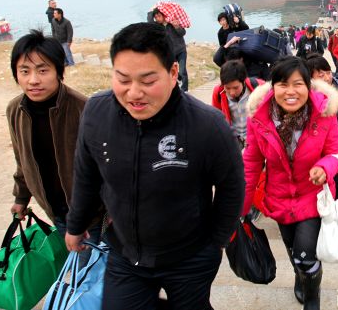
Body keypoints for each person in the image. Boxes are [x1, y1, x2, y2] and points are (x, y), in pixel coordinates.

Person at [65, 22, 244, 310]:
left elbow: (232, 186)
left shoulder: (207, 124)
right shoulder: (97, 113)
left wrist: (217, 241)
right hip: (125, 254)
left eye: (148, 81)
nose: (134, 93)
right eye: (123, 79)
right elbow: (86, 175)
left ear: (173, 72)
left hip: (190, 257)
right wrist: (75, 225)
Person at [242, 56, 338, 309]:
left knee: (305, 253)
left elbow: (337, 153)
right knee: (292, 249)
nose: (290, 92)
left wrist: (325, 167)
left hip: (313, 196)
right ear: (273, 87)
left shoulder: (323, 114)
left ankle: (312, 298)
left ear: (308, 86)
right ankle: (302, 276)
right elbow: (251, 164)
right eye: (283, 84)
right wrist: (240, 208)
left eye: (298, 84)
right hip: (278, 196)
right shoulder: (259, 118)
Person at [7, 30, 102, 254]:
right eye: (25, 71)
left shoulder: (84, 109)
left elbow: (109, 166)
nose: (33, 80)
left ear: (59, 71)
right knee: (78, 267)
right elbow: (22, 159)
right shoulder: (15, 110)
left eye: (43, 70)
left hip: (94, 216)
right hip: (57, 213)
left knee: (90, 270)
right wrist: (21, 197)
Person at [306, 53, 338, 199]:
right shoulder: (304, 96)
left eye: (328, 73)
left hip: (335, 151)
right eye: (321, 75)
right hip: (313, 153)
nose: (327, 78)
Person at [211, 60, 264, 149]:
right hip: (233, 138)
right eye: (227, 88)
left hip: (254, 137)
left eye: (236, 88)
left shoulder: (259, 87)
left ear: (243, 81)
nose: (232, 92)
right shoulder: (218, 92)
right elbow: (216, 118)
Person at [148, 8, 189, 92]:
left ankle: (185, 90)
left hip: (181, 50)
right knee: (172, 71)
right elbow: (150, 23)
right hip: (170, 52)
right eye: (155, 17)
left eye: (159, 16)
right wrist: (150, 12)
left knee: (182, 70)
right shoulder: (158, 26)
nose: (157, 18)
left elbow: (182, 33)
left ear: (164, 15)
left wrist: (177, 27)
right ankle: (177, 84)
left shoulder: (172, 22)